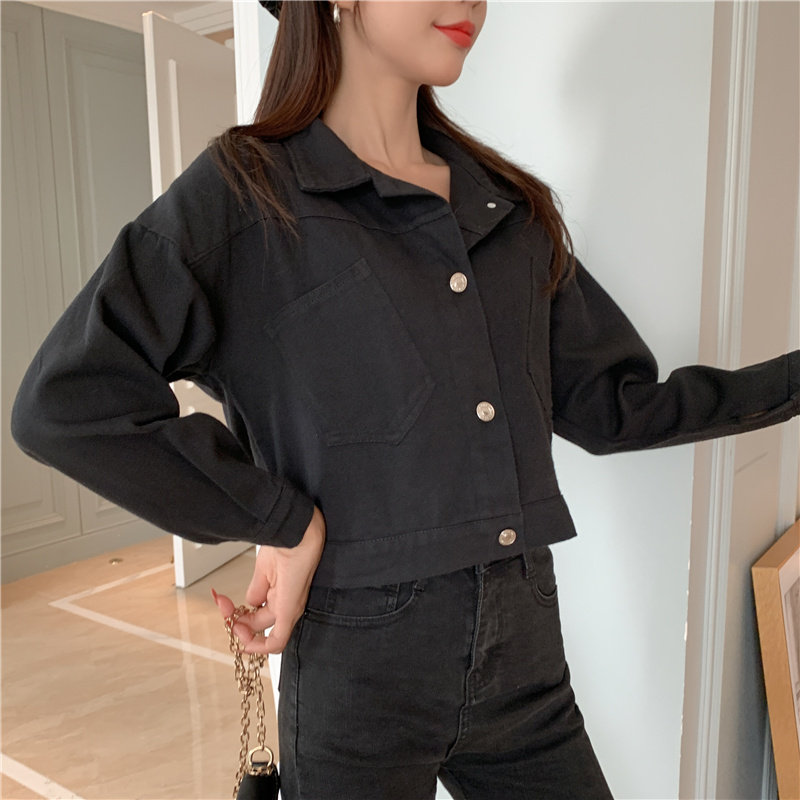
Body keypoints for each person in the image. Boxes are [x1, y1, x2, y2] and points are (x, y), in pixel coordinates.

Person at [9, 1, 800, 798]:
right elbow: (69, 402)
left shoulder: (507, 208)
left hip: (526, 657)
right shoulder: (246, 195)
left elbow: (612, 406)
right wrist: (279, 518)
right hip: (360, 669)